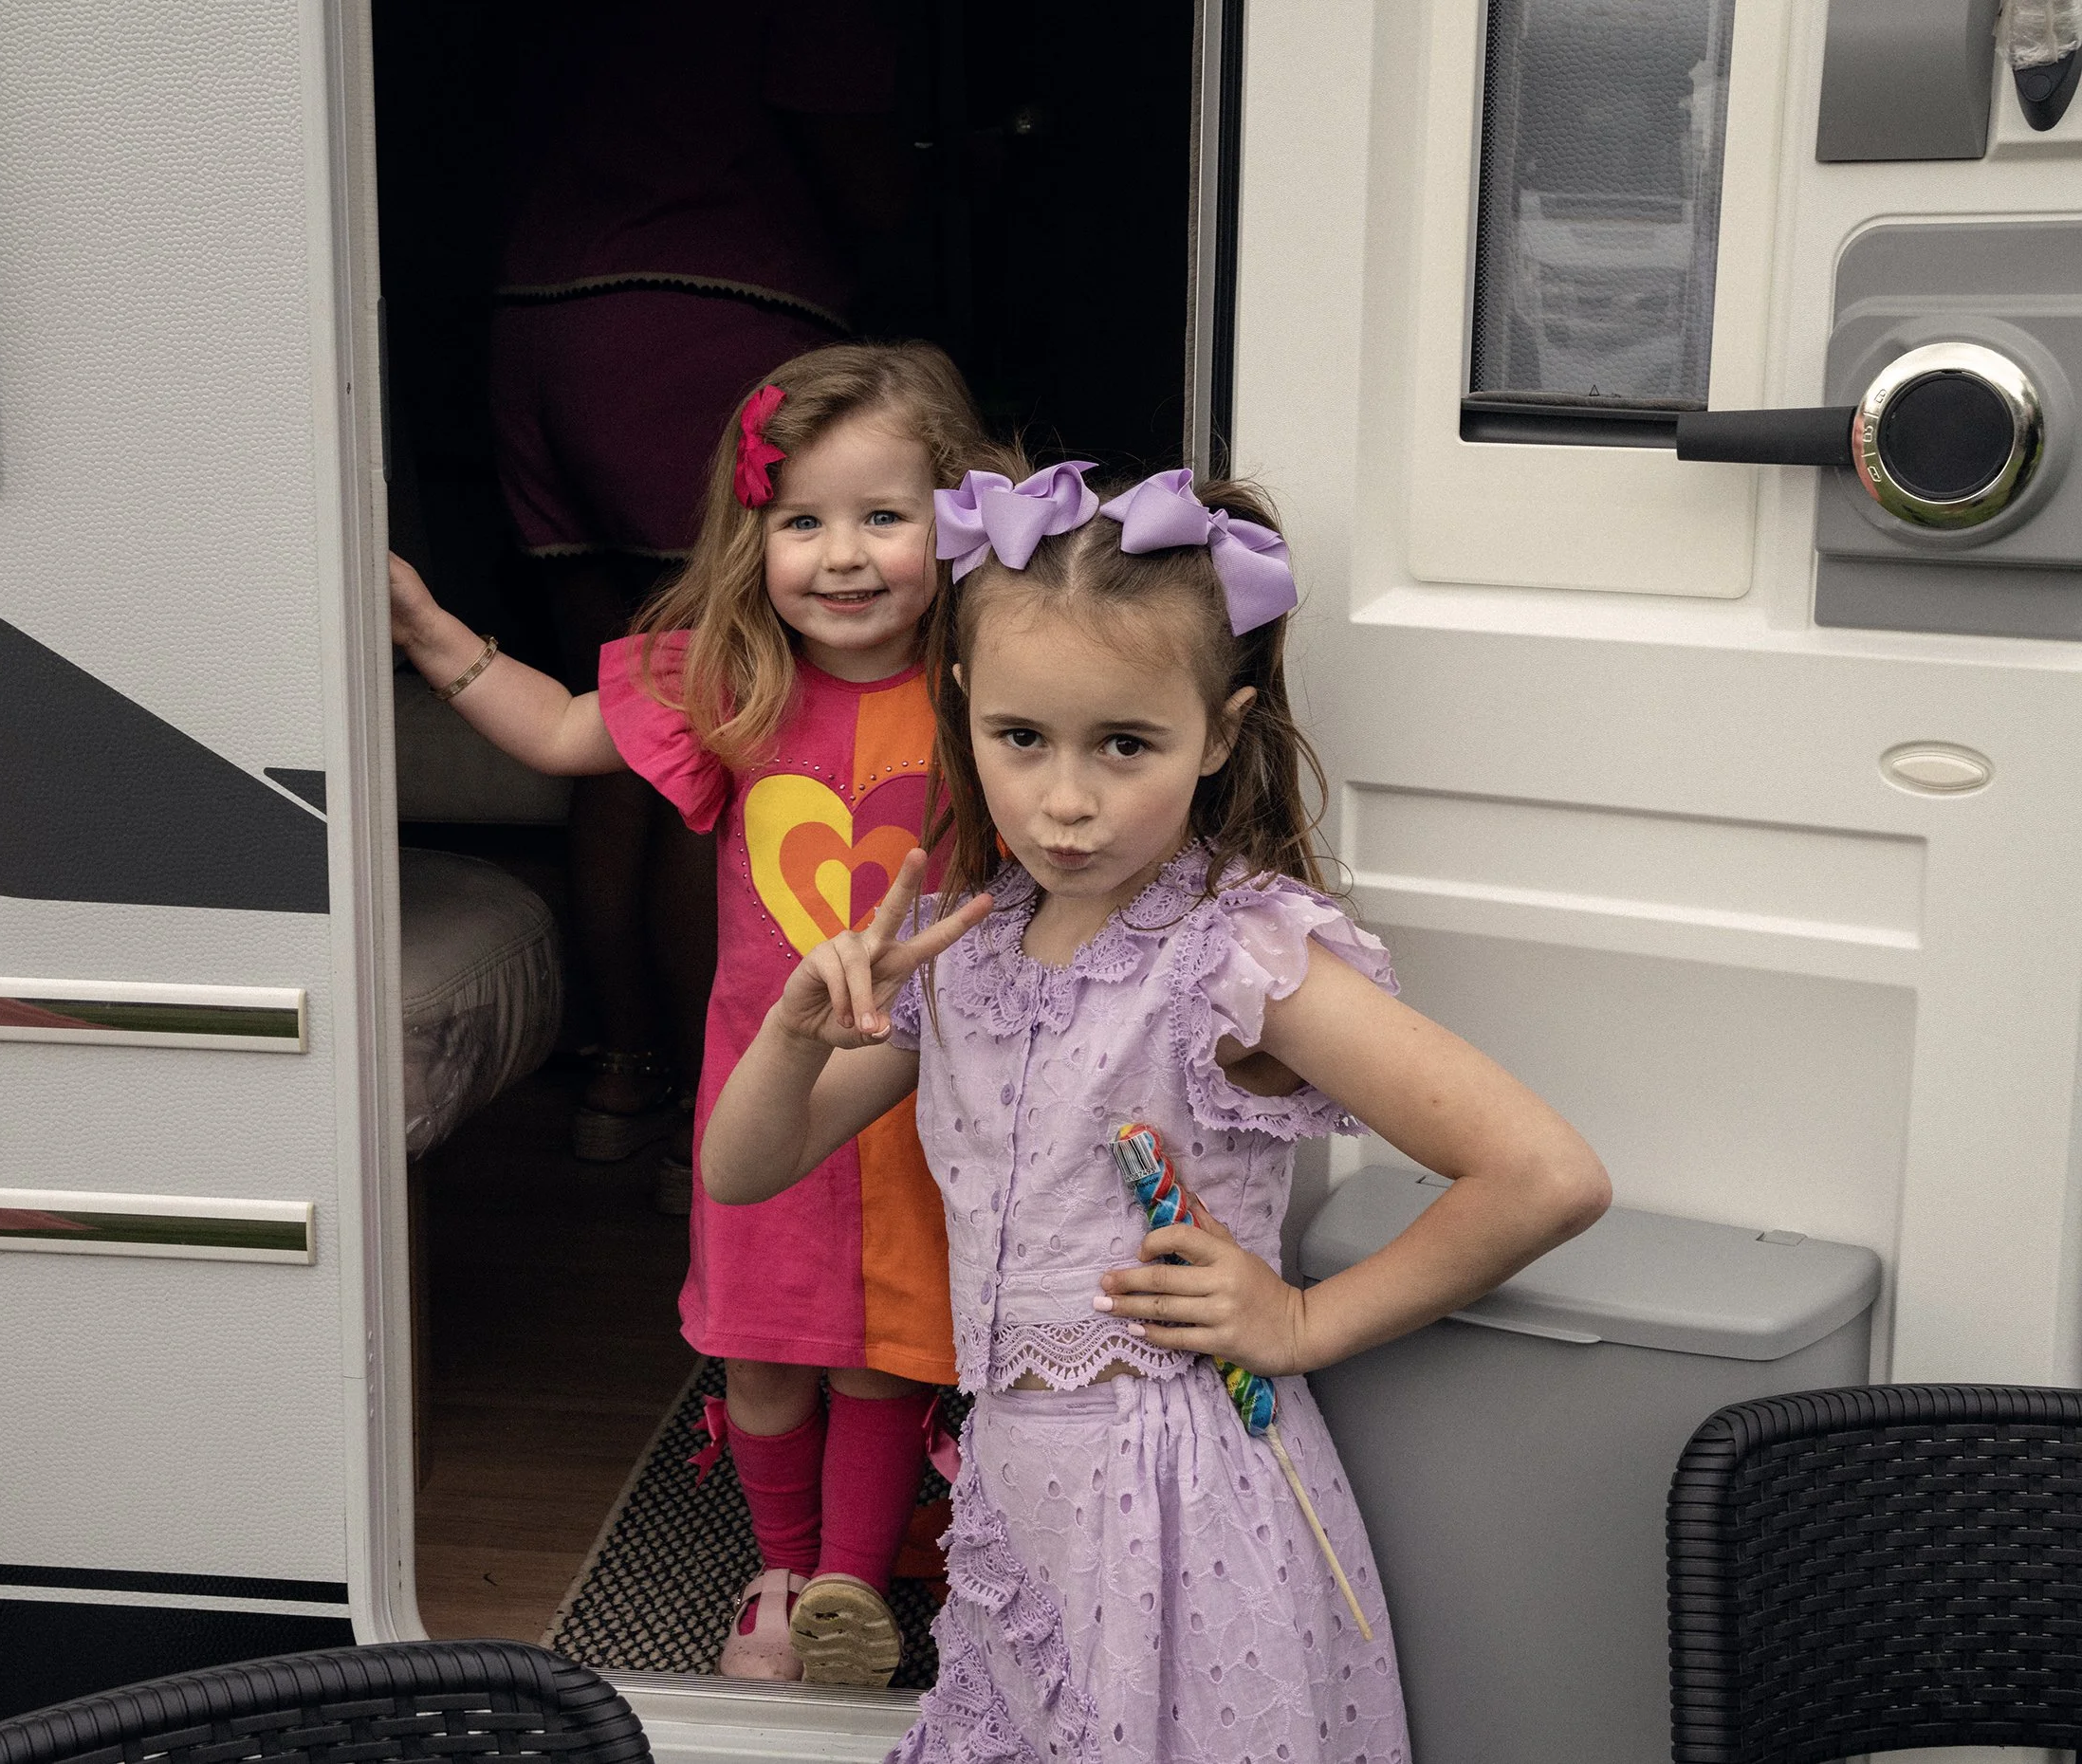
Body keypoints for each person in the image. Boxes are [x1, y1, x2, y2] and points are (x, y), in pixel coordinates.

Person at [700, 459, 1612, 1761]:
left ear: (1220, 735)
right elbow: (745, 1168)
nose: (1065, 800)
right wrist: (791, 1038)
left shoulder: (1232, 956)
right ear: (960, 708)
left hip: (1178, 1506)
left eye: (1124, 746)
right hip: (1017, 1489)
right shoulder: (963, 947)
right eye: (1021, 739)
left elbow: (1543, 1173)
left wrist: (1303, 1322)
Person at [391, 342, 998, 1686]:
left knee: (885, 1354)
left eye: (883, 517)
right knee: (766, 1353)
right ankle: (779, 1571)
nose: (843, 557)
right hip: (763, 1101)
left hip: (918, 1095)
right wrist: (430, 631)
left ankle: (849, 1588)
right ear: (752, 537)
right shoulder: (732, 677)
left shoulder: (988, 689)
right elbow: (562, 732)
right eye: (802, 523)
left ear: (956, 519)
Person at [489, 1, 911, 1172]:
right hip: (711, 308)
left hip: (536, 315)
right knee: (730, 724)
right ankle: (713, 1112)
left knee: (634, 715)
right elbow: (860, 165)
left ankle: (622, 1073)